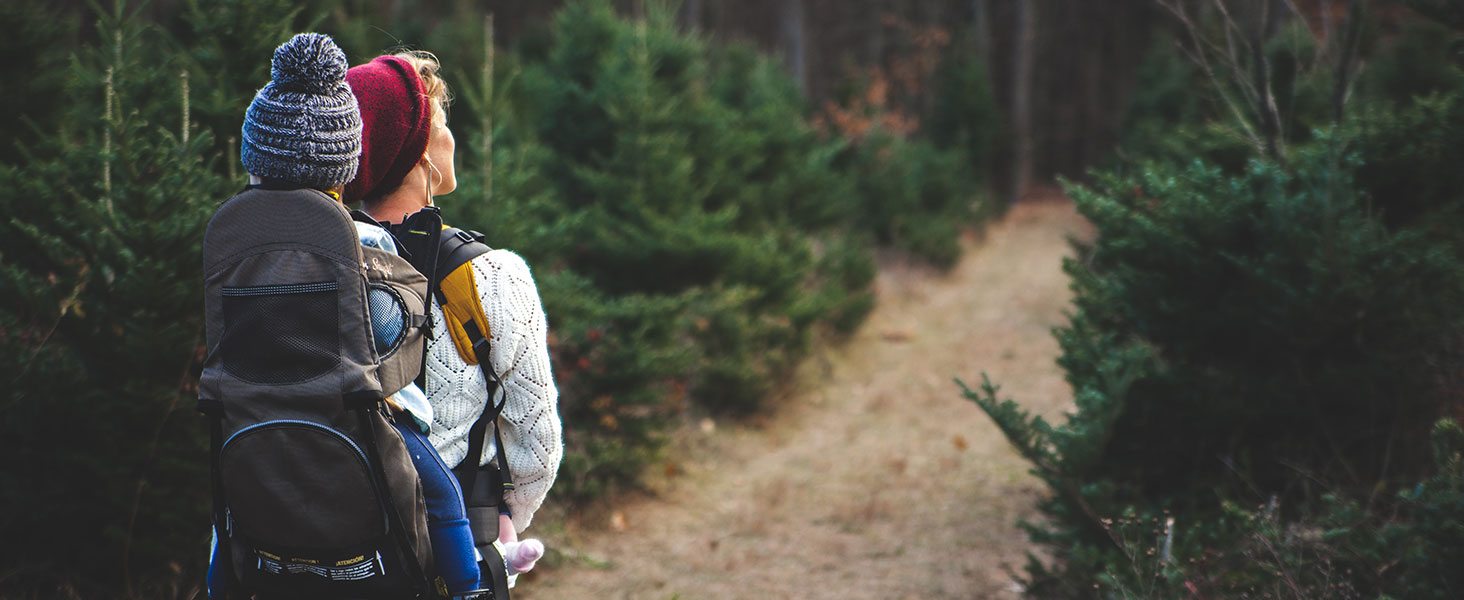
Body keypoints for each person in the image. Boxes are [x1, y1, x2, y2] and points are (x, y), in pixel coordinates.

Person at [222, 32, 497, 600]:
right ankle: (469, 588)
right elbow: (389, 328)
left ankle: (219, 588)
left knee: (227, 509)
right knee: (439, 492)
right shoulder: (361, 239)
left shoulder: (236, 241)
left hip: (253, 408)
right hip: (359, 410)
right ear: (342, 167)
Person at [343, 50, 563, 585]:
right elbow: (538, 448)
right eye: (442, 123)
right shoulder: (493, 277)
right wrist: (499, 525)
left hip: (337, 552)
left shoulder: (317, 267)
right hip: (458, 553)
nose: (451, 136)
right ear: (420, 154)